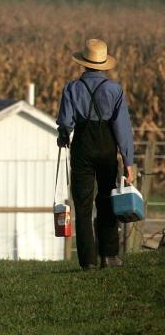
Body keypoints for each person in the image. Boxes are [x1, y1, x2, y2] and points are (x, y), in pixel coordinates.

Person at [57, 38, 135, 270]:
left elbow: (65, 122)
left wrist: (63, 137)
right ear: (103, 65)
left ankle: (88, 261)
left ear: (84, 63)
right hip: (106, 146)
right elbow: (122, 128)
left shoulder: (71, 88)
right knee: (107, 199)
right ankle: (109, 255)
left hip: (82, 146)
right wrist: (128, 159)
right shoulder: (115, 90)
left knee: (82, 204)